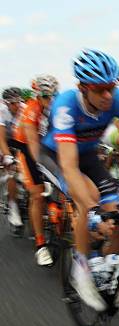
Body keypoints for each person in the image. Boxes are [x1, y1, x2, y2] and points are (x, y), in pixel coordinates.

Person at [38, 49, 119, 313]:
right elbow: (69, 166)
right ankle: (82, 267)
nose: (107, 96)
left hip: (87, 154)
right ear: (82, 88)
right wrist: (91, 206)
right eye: (100, 90)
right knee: (89, 203)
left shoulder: (118, 99)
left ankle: (111, 276)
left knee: (118, 214)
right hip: (57, 156)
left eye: (111, 88)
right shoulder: (65, 104)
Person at [11, 75, 60, 265]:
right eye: (47, 96)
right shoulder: (31, 110)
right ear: (38, 96)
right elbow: (32, 142)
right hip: (27, 149)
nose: (51, 100)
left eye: (54, 95)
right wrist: (41, 167)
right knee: (37, 194)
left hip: (46, 147)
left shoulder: (57, 107)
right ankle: (40, 245)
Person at [0, 87, 25, 229]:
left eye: (18, 102)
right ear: (6, 103)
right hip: (5, 141)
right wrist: (8, 157)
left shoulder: (25, 109)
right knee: (11, 171)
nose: (16, 106)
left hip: (19, 140)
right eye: (12, 103)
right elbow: (2, 139)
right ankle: (13, 205)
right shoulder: (2, 111)